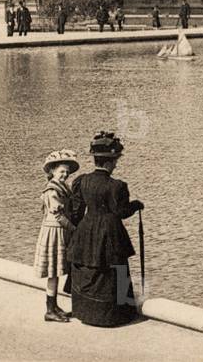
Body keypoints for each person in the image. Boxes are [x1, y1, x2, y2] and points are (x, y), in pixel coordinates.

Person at [67, 132, 143, 327]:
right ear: (109, 162)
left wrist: (79, 232)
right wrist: (136, 205)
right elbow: (121, 212)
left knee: (88, 268)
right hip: (110, 231)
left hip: (87, 228)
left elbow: (76, 212)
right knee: (117, 269)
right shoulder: (117, 186)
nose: (116, 165)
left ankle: (85, 311)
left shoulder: (81, 181)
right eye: (115, 161)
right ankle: (118, 315)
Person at [34, 149, 79, 323]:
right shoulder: (52, 190)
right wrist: (75, 229)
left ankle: (54, 306)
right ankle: (50, 310)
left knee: (56, 271)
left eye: (67, 172)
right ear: (53, 171)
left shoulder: (62, 187)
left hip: (59, 231)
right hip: (54, 232)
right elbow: (59, 216)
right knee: (53, 272)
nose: (65, 175)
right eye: (61, 171)